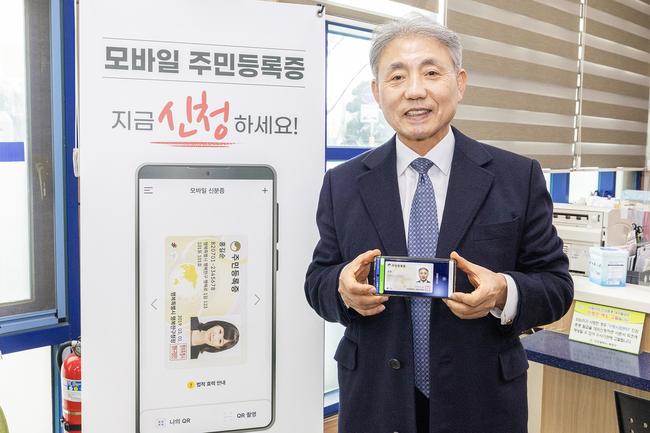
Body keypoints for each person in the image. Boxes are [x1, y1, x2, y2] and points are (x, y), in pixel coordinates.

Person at [304, 14, 573, 433]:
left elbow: (556, 285)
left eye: (431, 72)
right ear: (377, 92)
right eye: (397, 76)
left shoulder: (516, 177)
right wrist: (341, 287)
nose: (415, 90)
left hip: (481, 403)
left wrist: (503, 291)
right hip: (376, 401)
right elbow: (317, 279)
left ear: (459, 82)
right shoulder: (344, 183)